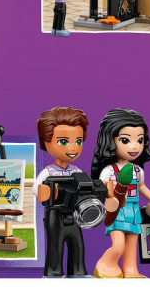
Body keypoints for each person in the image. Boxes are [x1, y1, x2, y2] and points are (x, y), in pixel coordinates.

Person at [90, 108, 150, 278]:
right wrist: (109, 201)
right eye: (125, 140)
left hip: (134, 210)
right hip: (117, 211)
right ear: (110, 141)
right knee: (118, 245)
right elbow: (101, 191)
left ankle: (131, 271)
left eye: (140, 140)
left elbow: (142, 187)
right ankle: (105, 265)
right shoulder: (109, 171)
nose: (134, 146)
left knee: (132, 243)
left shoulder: (137, 170)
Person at [34, 106, 91, 277]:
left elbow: (86, 189)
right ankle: (54, 272)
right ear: (45, 142)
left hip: (75, 214)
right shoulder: (48, 172)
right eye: (64, 142)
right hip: (56, 215)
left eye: (78, 141)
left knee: (78, 244)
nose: (73, 148)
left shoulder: (77, 171)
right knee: (55, 246)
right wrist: (46, 192)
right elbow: (36, 189)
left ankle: (78, 272)